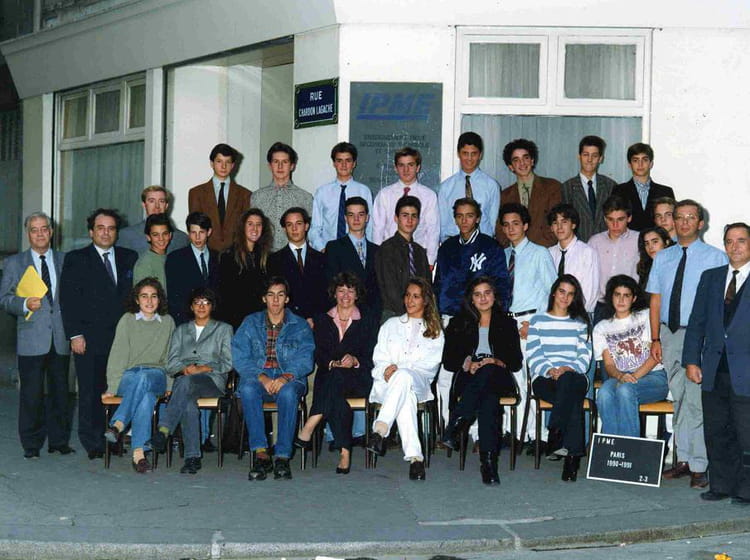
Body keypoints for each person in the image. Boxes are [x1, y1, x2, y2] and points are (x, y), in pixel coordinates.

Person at [647, 199, 728, 488]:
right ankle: (683, 458)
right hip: (669, 334)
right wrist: (655, 337)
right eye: (679, 217)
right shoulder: (663, 257)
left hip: (698, 336)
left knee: (696, 400)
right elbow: (655, 299)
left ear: (700, 223)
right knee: (679, 396)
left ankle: (699, 464)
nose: (683, 222)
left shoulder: (716, 258)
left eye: (690, 217)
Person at [60, 208, 138, 460]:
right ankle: (93, 442)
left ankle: (113, 439)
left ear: (117, 232)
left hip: (121, 339)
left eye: (111, 228)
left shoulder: (129, 257)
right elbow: (68, 299)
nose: (106, 233)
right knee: (91, 391)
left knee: (117, 389)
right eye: (100, 228)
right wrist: (75, 334)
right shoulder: (76, 258)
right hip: (89, 338)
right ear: (91, 232)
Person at [684, 223, 750, 505]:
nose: (735, 247)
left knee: (746, 433)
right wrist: (691, 360)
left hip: (746, 371)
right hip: (712, 369)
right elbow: (696, 322)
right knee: (716, 429)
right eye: (729, 241)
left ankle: (746, 490)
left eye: (741, 240)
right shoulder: (710, 278)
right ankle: (721, 485)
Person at [0, 212, 72, 458]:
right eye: (34, 230)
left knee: (60, 392)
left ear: (51, 232)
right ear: (28, 234)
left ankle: (59, 441)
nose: (40, 234)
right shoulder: (14, 263)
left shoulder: (65, 260)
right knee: (31, 394)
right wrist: (23, 304)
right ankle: (31, 445)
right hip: (31, 338)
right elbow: (4, 299)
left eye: (44, 229)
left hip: (60, 337)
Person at [434, 197, 510, 428]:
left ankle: (476, 433)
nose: (464, 220)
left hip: (480, 320)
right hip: (450, 318)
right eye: (459, 216)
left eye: (469, 215)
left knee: (480, 372)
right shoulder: (447, 247)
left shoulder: (490, 246)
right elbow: (438, 284)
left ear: (477, 218)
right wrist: (437, 316)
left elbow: (502, 285)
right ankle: (448, 427)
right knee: (446, 375)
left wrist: (496, 318)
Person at [441, 277, 523, 484]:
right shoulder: (458, 322)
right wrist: (468, 363)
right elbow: (448, 361)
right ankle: (488, 465)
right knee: (488, 400)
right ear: (471, 298)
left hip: (499, 374)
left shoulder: (507, 323)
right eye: (477, 294)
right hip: (469, 377)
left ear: (494, 296)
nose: (483, 298)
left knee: (489, 372)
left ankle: (457, 423)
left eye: (487, 293)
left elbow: (515, 362)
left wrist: (495, 361)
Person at [232, 277, 315, 481]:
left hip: (290, 378)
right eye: (271, 295)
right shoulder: (250, 323)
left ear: (287, 299)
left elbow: (306, 359)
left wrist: (285, 377)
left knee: (288, 394)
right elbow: (239, 357)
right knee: (247, 389)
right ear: (264, 298)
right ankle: (261, 454)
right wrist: (262, 377)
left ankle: (282, 457)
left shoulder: (300, 325)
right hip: (258, 377)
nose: (275, 300)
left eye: (280, 295)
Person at [294, 273, 377, 474]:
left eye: (350, 291)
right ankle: (345, 453)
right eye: (341, 290)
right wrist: (332, 362)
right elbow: (318, 353)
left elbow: (372, 355)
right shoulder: (322, 320)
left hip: (357, 378)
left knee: (334, 383)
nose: (345, 295)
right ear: (334, 294)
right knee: (337, 393)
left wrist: (355, 360)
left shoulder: (368, 321)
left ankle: (311, 423)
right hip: (330, 376)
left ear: (357, 294)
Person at [367, 278, 444, 481]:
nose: (410, 300)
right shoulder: (391, 325)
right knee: (405, 395)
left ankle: (380, 429)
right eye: (408, 295)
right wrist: (385, 369)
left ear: (425, 300)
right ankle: (415, 459)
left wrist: (401, 370)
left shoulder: (435, 331)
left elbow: (430, 367)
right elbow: (379, 358)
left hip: (419, 382)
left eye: (416, 296)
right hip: (388, 384)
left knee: (404, 377)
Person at [151, 287, 233, 475]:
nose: (201, 306)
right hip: (186, 381)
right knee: (187, 400)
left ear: (212, 306)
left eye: (206, 303)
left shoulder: (223, 329)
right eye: (197, 303)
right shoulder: (181, 331)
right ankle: (192, 458)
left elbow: (228, 363)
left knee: (186, 384)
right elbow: (171, 363)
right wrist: (185, 369)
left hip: (212, 381)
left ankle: (164, 429)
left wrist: (204, 368)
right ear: (191, 306)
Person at [499, 203, 557, 447]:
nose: (511, 229)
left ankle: (536, 434)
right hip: (506, 322)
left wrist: (536, 325)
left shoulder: (539, 253)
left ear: (525, 225)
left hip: (529, 321)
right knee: (511, 378)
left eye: (515, 223)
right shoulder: (501, 255)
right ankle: (514, 431)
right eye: (506, 225)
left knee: (530, 379)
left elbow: (552, 292)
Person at [102, 277, 175, 473]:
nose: (149, 301)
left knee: (145, 378)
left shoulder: (168, 322)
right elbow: (117, 356)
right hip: (130, 376)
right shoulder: (127, 320)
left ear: (160, 299)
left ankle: (118, 424)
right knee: (146, 397)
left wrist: (170, 385)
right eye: (144, 296)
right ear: (137, 299)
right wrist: (112, 387)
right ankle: (139, 454)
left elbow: (171, 357)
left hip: (157, 375)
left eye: (154, 296)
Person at [526, 274, 592, 481]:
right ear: (554, 292)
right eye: (562, 292)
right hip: (545, 378)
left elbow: (585, 357)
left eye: (570, 294)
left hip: (575, 375)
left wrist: (567, 368)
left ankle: (555, 430)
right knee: (572, 400)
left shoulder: (580, 323)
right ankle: (572, 457)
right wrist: (549, 370)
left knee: (569, 381)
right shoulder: (537, 320)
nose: (565, 297)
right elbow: (534, 355)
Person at [594, 275, 668, 437]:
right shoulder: (601, 328)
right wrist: (621, 376)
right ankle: (611, 444)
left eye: (626, 295)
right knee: (604, 392)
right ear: (611, 297)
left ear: (633, 298)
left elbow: (655, 357)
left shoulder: (646, 316)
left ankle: (628, 446)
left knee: (625, 390)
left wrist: (632, 377)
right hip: (621, 378)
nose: (621, 300)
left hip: (654, 377)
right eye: (617, 295)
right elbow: (609, 365)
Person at [372, 147, 439, 264]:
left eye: (410, 165)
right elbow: (378, 229)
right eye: (401, 165)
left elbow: (433, 231)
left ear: (418, 167)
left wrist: (430, 261)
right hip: (390, 255)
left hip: (418, 255)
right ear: (395, 168)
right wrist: (377, 258)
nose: (406, 170)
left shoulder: (429, 196)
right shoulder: (385, 194)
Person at [268, 207, 328, 326]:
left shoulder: (322, 259)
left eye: (298, 224)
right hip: (287, 323)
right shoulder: (274, 260)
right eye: (289, 225)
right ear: (284, 229)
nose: (294, 229)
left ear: (306, 226)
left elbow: (326, 294)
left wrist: (314, 318)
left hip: (318, 323)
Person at [375, 195, 431, 322]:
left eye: (414, 216)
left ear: (418, 220)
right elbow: (390, 289)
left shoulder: (419, 251)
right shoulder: (386, 249)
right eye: (405, 215)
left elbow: (427, 286)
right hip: (394, 315)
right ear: (396, 218)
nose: (409, 220)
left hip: (419, 315)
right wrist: (409, 314)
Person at [496, 139, 561, 247]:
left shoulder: (552, 187)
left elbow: (558, 223)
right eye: (516, 160)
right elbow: (500, 230)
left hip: (546, 249)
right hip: (516, 252)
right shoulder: (505, 195)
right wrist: (514, 249)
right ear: (510, 166)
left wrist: (535, 250)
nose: (522, 163)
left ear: (532, 161)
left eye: (525, 158)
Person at [188, 144, 252, 253]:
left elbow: (245, 228)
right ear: (212, 163)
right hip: (206, 253)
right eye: (219, 161)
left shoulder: (245, 194)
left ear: (233, 165)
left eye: (227, 162)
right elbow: (195, 227)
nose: (223, 166)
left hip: (235, 254)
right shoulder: (196, 193)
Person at [309, 142, 373, 251]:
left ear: (354, 163)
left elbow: (370, 226)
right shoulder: (322, 192)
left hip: (356, 250)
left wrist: (367, 251)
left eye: (348, 160)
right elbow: (315, 228)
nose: (343, 165)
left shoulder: (364, 191)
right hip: (328, 250)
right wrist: (322, 249)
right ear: (334, 163)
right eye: (339, 161)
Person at [324, 196, 381, 317]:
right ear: (345, 218)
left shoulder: (377, 250)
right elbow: (331, 284)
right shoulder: (334, 247)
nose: (356, 219)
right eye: (351, 215)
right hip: (344, 313)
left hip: (372, 316)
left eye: (361, 214)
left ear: (367, 218)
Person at [438, 132, 500, 242]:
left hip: (482, 243)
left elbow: (493, 222)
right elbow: (443, 224)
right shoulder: (446, 187)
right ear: (458, 154)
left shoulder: (491, 186)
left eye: (474, 154)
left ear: (480, 155)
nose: (469, 158)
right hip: (454, 243)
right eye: (465, 153)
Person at [251, 142, 313, 251]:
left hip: (294, 256)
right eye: (276, 162)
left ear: (292, 166)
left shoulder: (305, 197)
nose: (280, 166)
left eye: (285, 162)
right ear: (270, 165)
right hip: (264, 255)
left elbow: (311, 232)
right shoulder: (257, 197)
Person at [588, 195, 640, 324]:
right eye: (610, 219)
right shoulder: (595, 242)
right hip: (602, 306)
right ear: (605, 219)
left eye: (620, 219)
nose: (615, 225)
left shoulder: (639, 240)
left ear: (629, 218)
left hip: (631, 305)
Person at [217, 208, 272, 330]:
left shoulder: (267, 257)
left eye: (258, 225)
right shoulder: (228, 256)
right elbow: (225, 296)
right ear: (243, 227)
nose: (254, 229)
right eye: (250, 224)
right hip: (235, 321)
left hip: (259, 321)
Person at [561, 135, 618, 242]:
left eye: (594, 156)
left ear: (601, 159)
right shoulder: (567, 187)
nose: (589, 160)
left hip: (606, 245)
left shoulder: (610, 186)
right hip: (578, 246)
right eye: (586, 155)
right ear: (579, 156)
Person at [165, 212, 219, 325]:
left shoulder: (218, 257)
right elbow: (173, 298)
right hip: (187, 322)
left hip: (213, 322)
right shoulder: (175, 258)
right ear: (188, 233)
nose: (197, 237)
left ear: (209, 232)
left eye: (201, 232)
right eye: (193, 232)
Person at [547, 204, 599, 315]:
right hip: (553, 314)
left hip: (579, 314)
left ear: (573, 224)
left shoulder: (587, 252)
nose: (559, 227)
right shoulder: (548, 253)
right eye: (555, 223)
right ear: (551, 227)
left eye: (564, 222)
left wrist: (573, 316)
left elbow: (590, 293)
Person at [613, 143, 675, 232]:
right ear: (629, 165)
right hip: (628, 239)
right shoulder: (619, 191)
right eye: (635, 160)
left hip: (658, 239)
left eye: (644, 160)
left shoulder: (665, 192)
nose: (640, 164)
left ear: (651, 164)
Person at [118, 185, 189, 254]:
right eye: (152, 201)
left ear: (166, 205)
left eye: (161, 201)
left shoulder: (181, 238)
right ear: (144, 205)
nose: (157, 206)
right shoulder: (126, 235)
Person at [133, 213, 173, 290]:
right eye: (155, 235)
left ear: (170, 235)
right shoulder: (144, 264)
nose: (161, 239)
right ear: (148, 237)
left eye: (165, 234)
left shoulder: (172, 258)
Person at [637, 226, 674, 292]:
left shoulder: (676, 265)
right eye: (647, 243)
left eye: (655, 242)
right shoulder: (645, 268)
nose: (650, 247)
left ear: (666, 243)